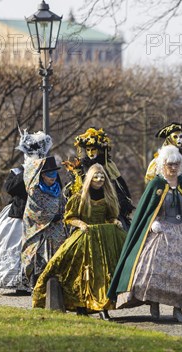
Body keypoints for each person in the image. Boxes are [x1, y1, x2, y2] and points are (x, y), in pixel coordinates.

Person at [108, 145, 182, 322]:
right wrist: (152, 222)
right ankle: (154, 303)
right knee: (152, 267)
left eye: (176, 164)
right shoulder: (155, 184)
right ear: (162, 164)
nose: (173, 167)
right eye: (169, 164)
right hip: (160, 230)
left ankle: (178, 309)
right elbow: (146, 212)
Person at [33, 164, 127, 320]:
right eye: (96, 177)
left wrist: (114, 221)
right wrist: (81, 224)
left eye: (102, 177)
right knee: (80, 272)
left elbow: (110, 216)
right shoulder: (79, 197)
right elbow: (69, 217)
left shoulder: (108, 196)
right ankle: (81, 305)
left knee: (103, 273)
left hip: (103, 239)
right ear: (90, 178)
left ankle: (103, 307)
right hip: (85, 236)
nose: (99, 180)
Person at [0, 130, 52, 289]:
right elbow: (10, 188)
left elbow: (54, 189)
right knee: (14, 249)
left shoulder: (48, 171)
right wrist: (28, 171)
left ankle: (40, 282)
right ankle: (18, 282)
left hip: (41, 218)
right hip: (18, 217)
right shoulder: (18, 171)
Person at [65, 127, 134, 231]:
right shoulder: (81, 165)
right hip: (86, 204)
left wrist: (119, 201)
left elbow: (119, 183)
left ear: (99, 149)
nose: (90, 153)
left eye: (93, 149)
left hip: (106, 201)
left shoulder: (108, 164)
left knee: (121, 229)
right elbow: (75, 186)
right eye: (88, 150)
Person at [20, 154, 67, 292]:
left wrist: (63, 215)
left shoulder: (58, 189)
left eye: (54, 174)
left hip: (57, 231)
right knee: (37, 259)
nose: (52, 177)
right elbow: (32, 211)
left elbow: (63, 205)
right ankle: (37, 286)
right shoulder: (35, 191)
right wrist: (51, 218)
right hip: (39, 233)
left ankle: (56, 289)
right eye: (49, 174)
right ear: (42, 174)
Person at [145, 122, 182, 203]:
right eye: (175, 137)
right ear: (169, 138)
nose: (179, 140)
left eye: (181, 136)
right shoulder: (158, 160)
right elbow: (151, 183)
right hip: (164, 200)